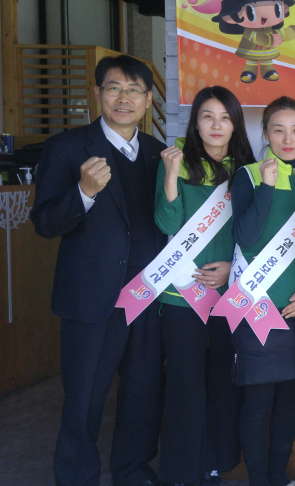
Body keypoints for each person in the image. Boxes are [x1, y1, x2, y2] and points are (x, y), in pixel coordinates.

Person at [31, 55, 166, 486]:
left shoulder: (158, 154)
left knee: (142, 391)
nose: (123, 98)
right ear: (97, 94)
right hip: (91, 299)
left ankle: (132, 470)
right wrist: (84, 193)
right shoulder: (67, 148)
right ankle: (77, 476)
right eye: (113, 88)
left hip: (146, 297)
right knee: (84, 397)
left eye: (134, 90)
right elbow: (44, 223)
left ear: (148, 100)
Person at [154, 86, 254, 486]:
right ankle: (181, 472)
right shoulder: (175, 161)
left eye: (225, 117)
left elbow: (254, 234)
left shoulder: (247, 169)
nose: (216, 125)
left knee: (223, 379)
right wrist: (171, 176)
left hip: (228, 293)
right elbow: (167, 223)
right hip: (182, 294)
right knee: (184, 383)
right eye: (207, 116)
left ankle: (217, 462)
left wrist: (232, 268)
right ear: (195, 122)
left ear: (236, 125)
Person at [230, 96, 295, 486]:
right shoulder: (248, 176)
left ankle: (278, 477)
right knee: (258, 401)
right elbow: (246, 236)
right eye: (278, 130)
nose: (287, 138)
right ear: (265, 133)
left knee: (289, 401)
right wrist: (266, 186)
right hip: (257, 307)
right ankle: (258, 480)